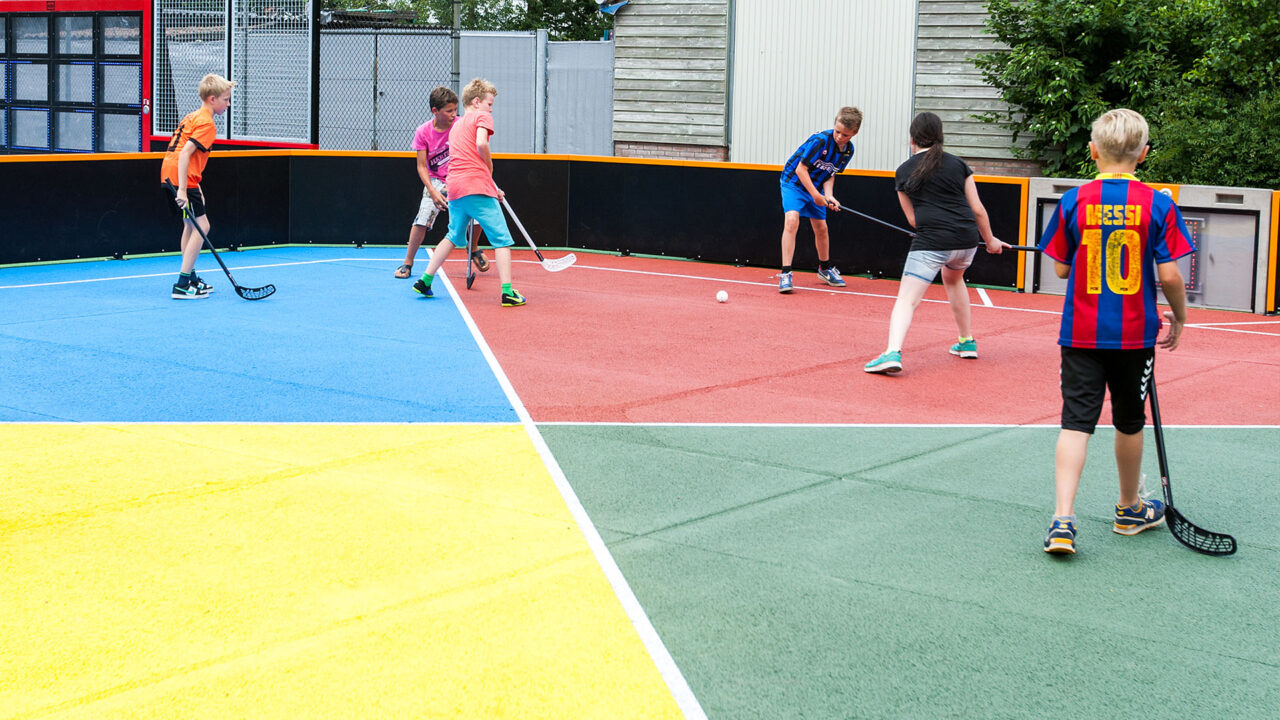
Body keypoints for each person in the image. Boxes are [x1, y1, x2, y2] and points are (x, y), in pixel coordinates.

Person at [1038, 108, 1193, 555]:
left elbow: (1063, 268)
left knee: (1075, 423)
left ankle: (1062, 520)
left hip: (1082, 332)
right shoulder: (1159, 203)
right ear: (1143, 154)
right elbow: (1169, 276)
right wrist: (1180, 317)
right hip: (1134, 335)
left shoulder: (1074, 200)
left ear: (1092, 151)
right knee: (1129, 421)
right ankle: (1128, 509)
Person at [863, 112, 1006, 374]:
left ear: (912, 139)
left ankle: (891, 352)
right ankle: (966, 341)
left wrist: (929, 228)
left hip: (932, 243)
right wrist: (991, 240)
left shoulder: (904, 171)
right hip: (966, 241)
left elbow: (914, 220)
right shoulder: (959, 165)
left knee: (907, 299)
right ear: (940, 137)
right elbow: (977, 209)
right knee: (954, 279)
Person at [412, 78, 525, 307]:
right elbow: (481, 144)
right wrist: (489, 174)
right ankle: (507, 293)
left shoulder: (457, 126)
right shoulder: (481, 116)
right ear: (476, 101)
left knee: (453, 235)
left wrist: (490, 184)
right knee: (502, 240)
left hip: (455, 186)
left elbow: (463, 158)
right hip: (475, 186)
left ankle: (425, 280)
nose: (491, 109)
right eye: (489, 104)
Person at [394, 86, 486, 279]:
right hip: (436, 180)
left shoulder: (461, 125)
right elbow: (421, 166)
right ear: (435, 111)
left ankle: (474, 248)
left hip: (461, 176)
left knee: (478, 212)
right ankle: (408, 262)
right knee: (423, 217)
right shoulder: (423, 131)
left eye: (455, 110)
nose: (454, 114)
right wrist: (433, 191)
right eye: (449, 111)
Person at [161, 73, 236, 299]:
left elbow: (186, 156)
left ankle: (191, 278)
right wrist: (184, 189)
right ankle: (183, 283)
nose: (228, 104)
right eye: (225, 99)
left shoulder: (193, 116)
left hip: (169, 173)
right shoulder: (207, 123)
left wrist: (195, 186)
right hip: (179, 177)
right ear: (212, 99)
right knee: (203, 226)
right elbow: (185, 154)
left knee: (189, 225)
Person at [777, 106, 862, 293]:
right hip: (794, 183)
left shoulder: (848, 151)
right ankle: (785, 273)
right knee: (792, 220)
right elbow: (801, 169)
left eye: (845, 135)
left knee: (822, 228)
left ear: (854, 133)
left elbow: (830, 173)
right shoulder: (820, 141)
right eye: (838, 131)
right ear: (834, 125)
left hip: (815, 186)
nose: (840, 137)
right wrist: (816, 196)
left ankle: (825, 268)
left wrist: (829, 195)